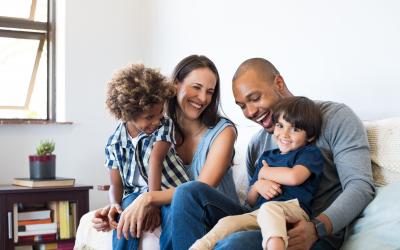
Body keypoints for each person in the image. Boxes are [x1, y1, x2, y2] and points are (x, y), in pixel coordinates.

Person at [170, 58, 375, 250]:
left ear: (278, 83)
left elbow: (360, 186)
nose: (250, 112)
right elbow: (252, 203)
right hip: (260, 220)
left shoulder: (336, 118)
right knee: (188, 192)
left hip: (304, 230)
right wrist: (258, 186)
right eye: (242, 106)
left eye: (255, 98)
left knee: (233, 243)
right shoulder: (257, 144)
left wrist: (317, 228)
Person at [91, 55, 239, 249]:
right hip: (179, 206)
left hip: (214, 211)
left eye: (210, 92)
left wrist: (149, 198)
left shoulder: (222, 132)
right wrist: (116, 206)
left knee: (179, 203)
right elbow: (131, 178)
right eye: (196, 87)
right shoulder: (156, 126)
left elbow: (198, 192)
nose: (203, 98)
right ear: (175, 85)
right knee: (129, 212)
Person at [190, 96, 324, 250]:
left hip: (292, 210)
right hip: (260, 213)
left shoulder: (308, 153)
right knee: (227, 222)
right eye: (280, 125)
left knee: (270, 209)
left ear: (310, 136)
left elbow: (294, 177)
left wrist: (265, 172)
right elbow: (251, 200)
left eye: (295, 129)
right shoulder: (267, 157)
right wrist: (258, 185)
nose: (285, 134)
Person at [103, 64, 190, 249]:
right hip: (134, 194)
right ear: (128, 113)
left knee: (174, 214)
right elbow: (115, 184)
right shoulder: (114, 143)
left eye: (160, 114)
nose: (156, 121)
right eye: (149, 116)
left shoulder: (164, 126)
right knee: (124, 215)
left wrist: (153, 204)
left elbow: (155, 161)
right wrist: (114, 205)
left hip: (168, 191)